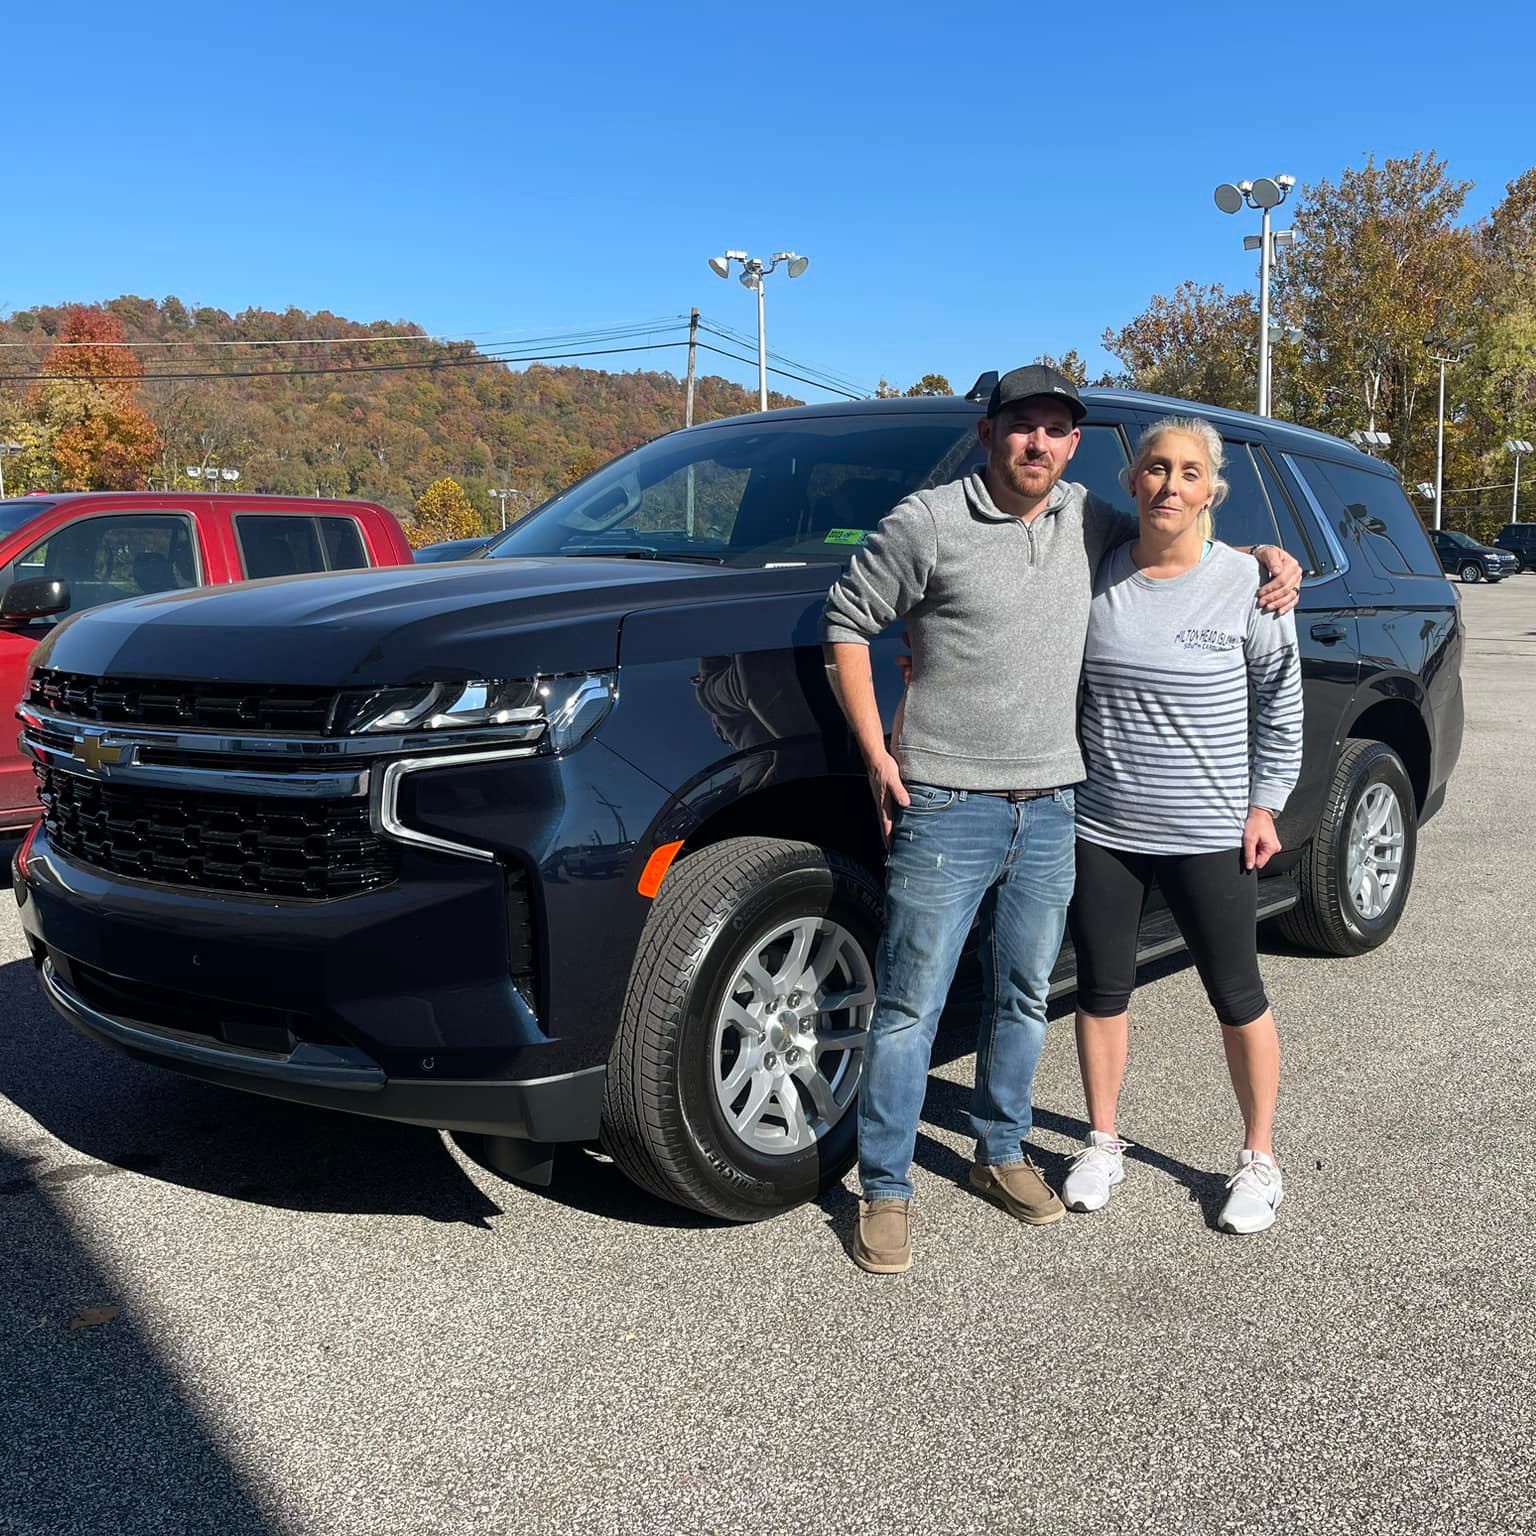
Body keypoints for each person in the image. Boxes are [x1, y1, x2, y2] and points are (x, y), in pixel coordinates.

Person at [822, 367, 1300, 1273]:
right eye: (1021, 425)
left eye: (1055, 429)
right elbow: (847, 618)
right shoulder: (930, 521)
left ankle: (1002, 1153)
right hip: (951, 801)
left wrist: (1270, 560)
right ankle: (885, 1189)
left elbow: (1182, 538)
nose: (1037, 442)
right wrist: (878, 754)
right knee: (912, 1005)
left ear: (1075, 447)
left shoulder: (1091, 521)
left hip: (1055, 805)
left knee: (1023, 996)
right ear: (988, 433)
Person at [1060, 415, 1303, 1234]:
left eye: (1190, 472)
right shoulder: (1098, 571)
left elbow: (1280, 705)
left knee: (1237, 995)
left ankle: (1260, 1160)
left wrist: (1265, 805)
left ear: (1212, 491)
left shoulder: (1251, 584)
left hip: (1210, 832)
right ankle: (1102, 1142)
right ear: (1133, 483)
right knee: (1102, 991)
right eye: (1157, 468)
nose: (1171, 483)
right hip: (1105, 829)